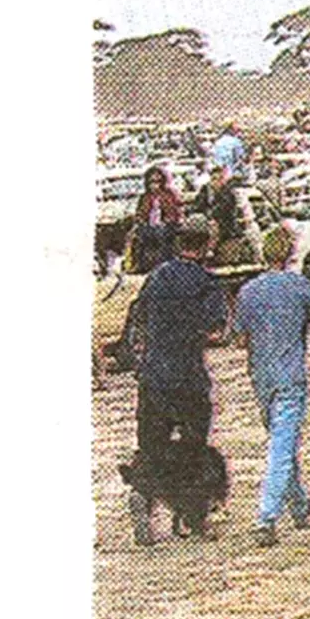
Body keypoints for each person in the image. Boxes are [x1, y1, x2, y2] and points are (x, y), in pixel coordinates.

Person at [233, 226, 310, 545]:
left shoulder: (248, 291)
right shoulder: (302, 287)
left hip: (261, 377)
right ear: (291, 254)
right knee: (282, 445)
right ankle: (266, 517)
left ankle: (299, 504)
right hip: (290, 375)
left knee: (282, 442)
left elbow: (240, 338)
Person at [125, 218, 228, 544]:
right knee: (193, 446)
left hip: (154, 376)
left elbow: (137, 316)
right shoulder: (207, 283)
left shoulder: (156, 277)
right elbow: (215, 330)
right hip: (187, 377)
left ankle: (142, 494)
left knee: (152, 444)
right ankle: (190, 517)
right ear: (206, 245)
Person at [131, 166, 186, 274]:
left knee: (161, 234)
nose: (154, 185)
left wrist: (167, 222)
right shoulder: (145, 197)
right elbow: (140, 213)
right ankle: (141, 265)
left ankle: (163, 265)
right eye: (151, 181)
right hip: (149, 225)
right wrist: (140, 221)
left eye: (158, 181)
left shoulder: (171, 194)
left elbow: (177, 213)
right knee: (140, 234)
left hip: (168, 225)